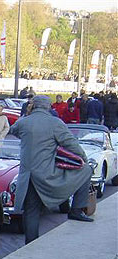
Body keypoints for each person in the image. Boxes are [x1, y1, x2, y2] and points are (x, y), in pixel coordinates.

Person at [9, 95, 93, 245]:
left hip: (27, 176)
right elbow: (71, 144)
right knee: (86, 171)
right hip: (47, 174)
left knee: (31, 210)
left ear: (33, 106)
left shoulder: (23, 122)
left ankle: (31, 243)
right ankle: (76, 210)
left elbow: (13, 130)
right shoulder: (55, 123)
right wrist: (83, 158)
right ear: (49, 106)